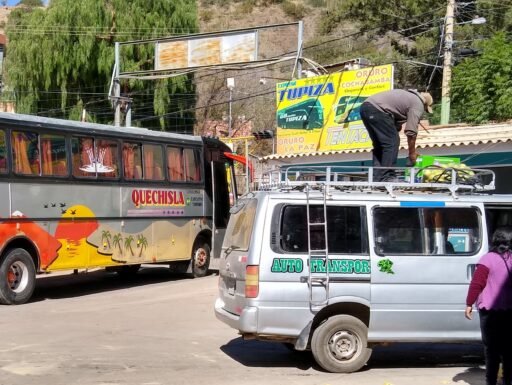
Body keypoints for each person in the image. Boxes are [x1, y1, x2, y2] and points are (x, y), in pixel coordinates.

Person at [465, 226, 512, 385]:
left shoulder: (487, 259)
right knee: (509, 349)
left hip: (490, 312)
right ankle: (508, 380)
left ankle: (491, 381)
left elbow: (477, 283)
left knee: (491, 350)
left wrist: (469, 303)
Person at [360, 89, 433, 182]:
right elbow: (411, 132)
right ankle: (387, 177)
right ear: (425, 105)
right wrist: (412, 153)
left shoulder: (407, 97)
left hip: (366, 107)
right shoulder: (418, 104)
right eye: (425, 110)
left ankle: (378, 179)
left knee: (381, 145)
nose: (422, 113)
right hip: (377, 109)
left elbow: (394, 125)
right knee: (392, 142)